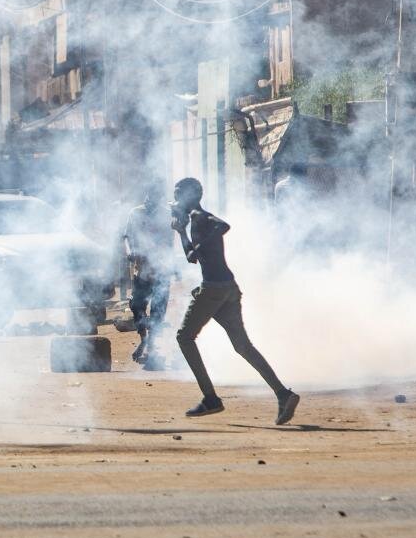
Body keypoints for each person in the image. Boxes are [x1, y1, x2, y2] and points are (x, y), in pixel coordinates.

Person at [171, 178, 299, 425]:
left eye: (178, 195)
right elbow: (192, 256)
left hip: (214, 290)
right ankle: (283, 394)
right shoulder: (195, 219)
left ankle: (211, 398)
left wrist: (186, 234)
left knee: (184, 337)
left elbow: (222, 226)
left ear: (189, 196)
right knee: (242, 346)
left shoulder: (199, 216)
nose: (176, 200)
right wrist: (183, 233)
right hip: (227, 288)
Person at [122, 187, 172, 370]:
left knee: (158, 310)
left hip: (161, 270)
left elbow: (168, 242)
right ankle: (144, 340)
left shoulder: (167, 214)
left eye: (156, 196)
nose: (151, 199)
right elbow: (126, 237)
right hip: (141, 269)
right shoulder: (135, 213)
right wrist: (129, 252)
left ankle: (152, 347)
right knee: (137, 307)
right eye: (150, 195)